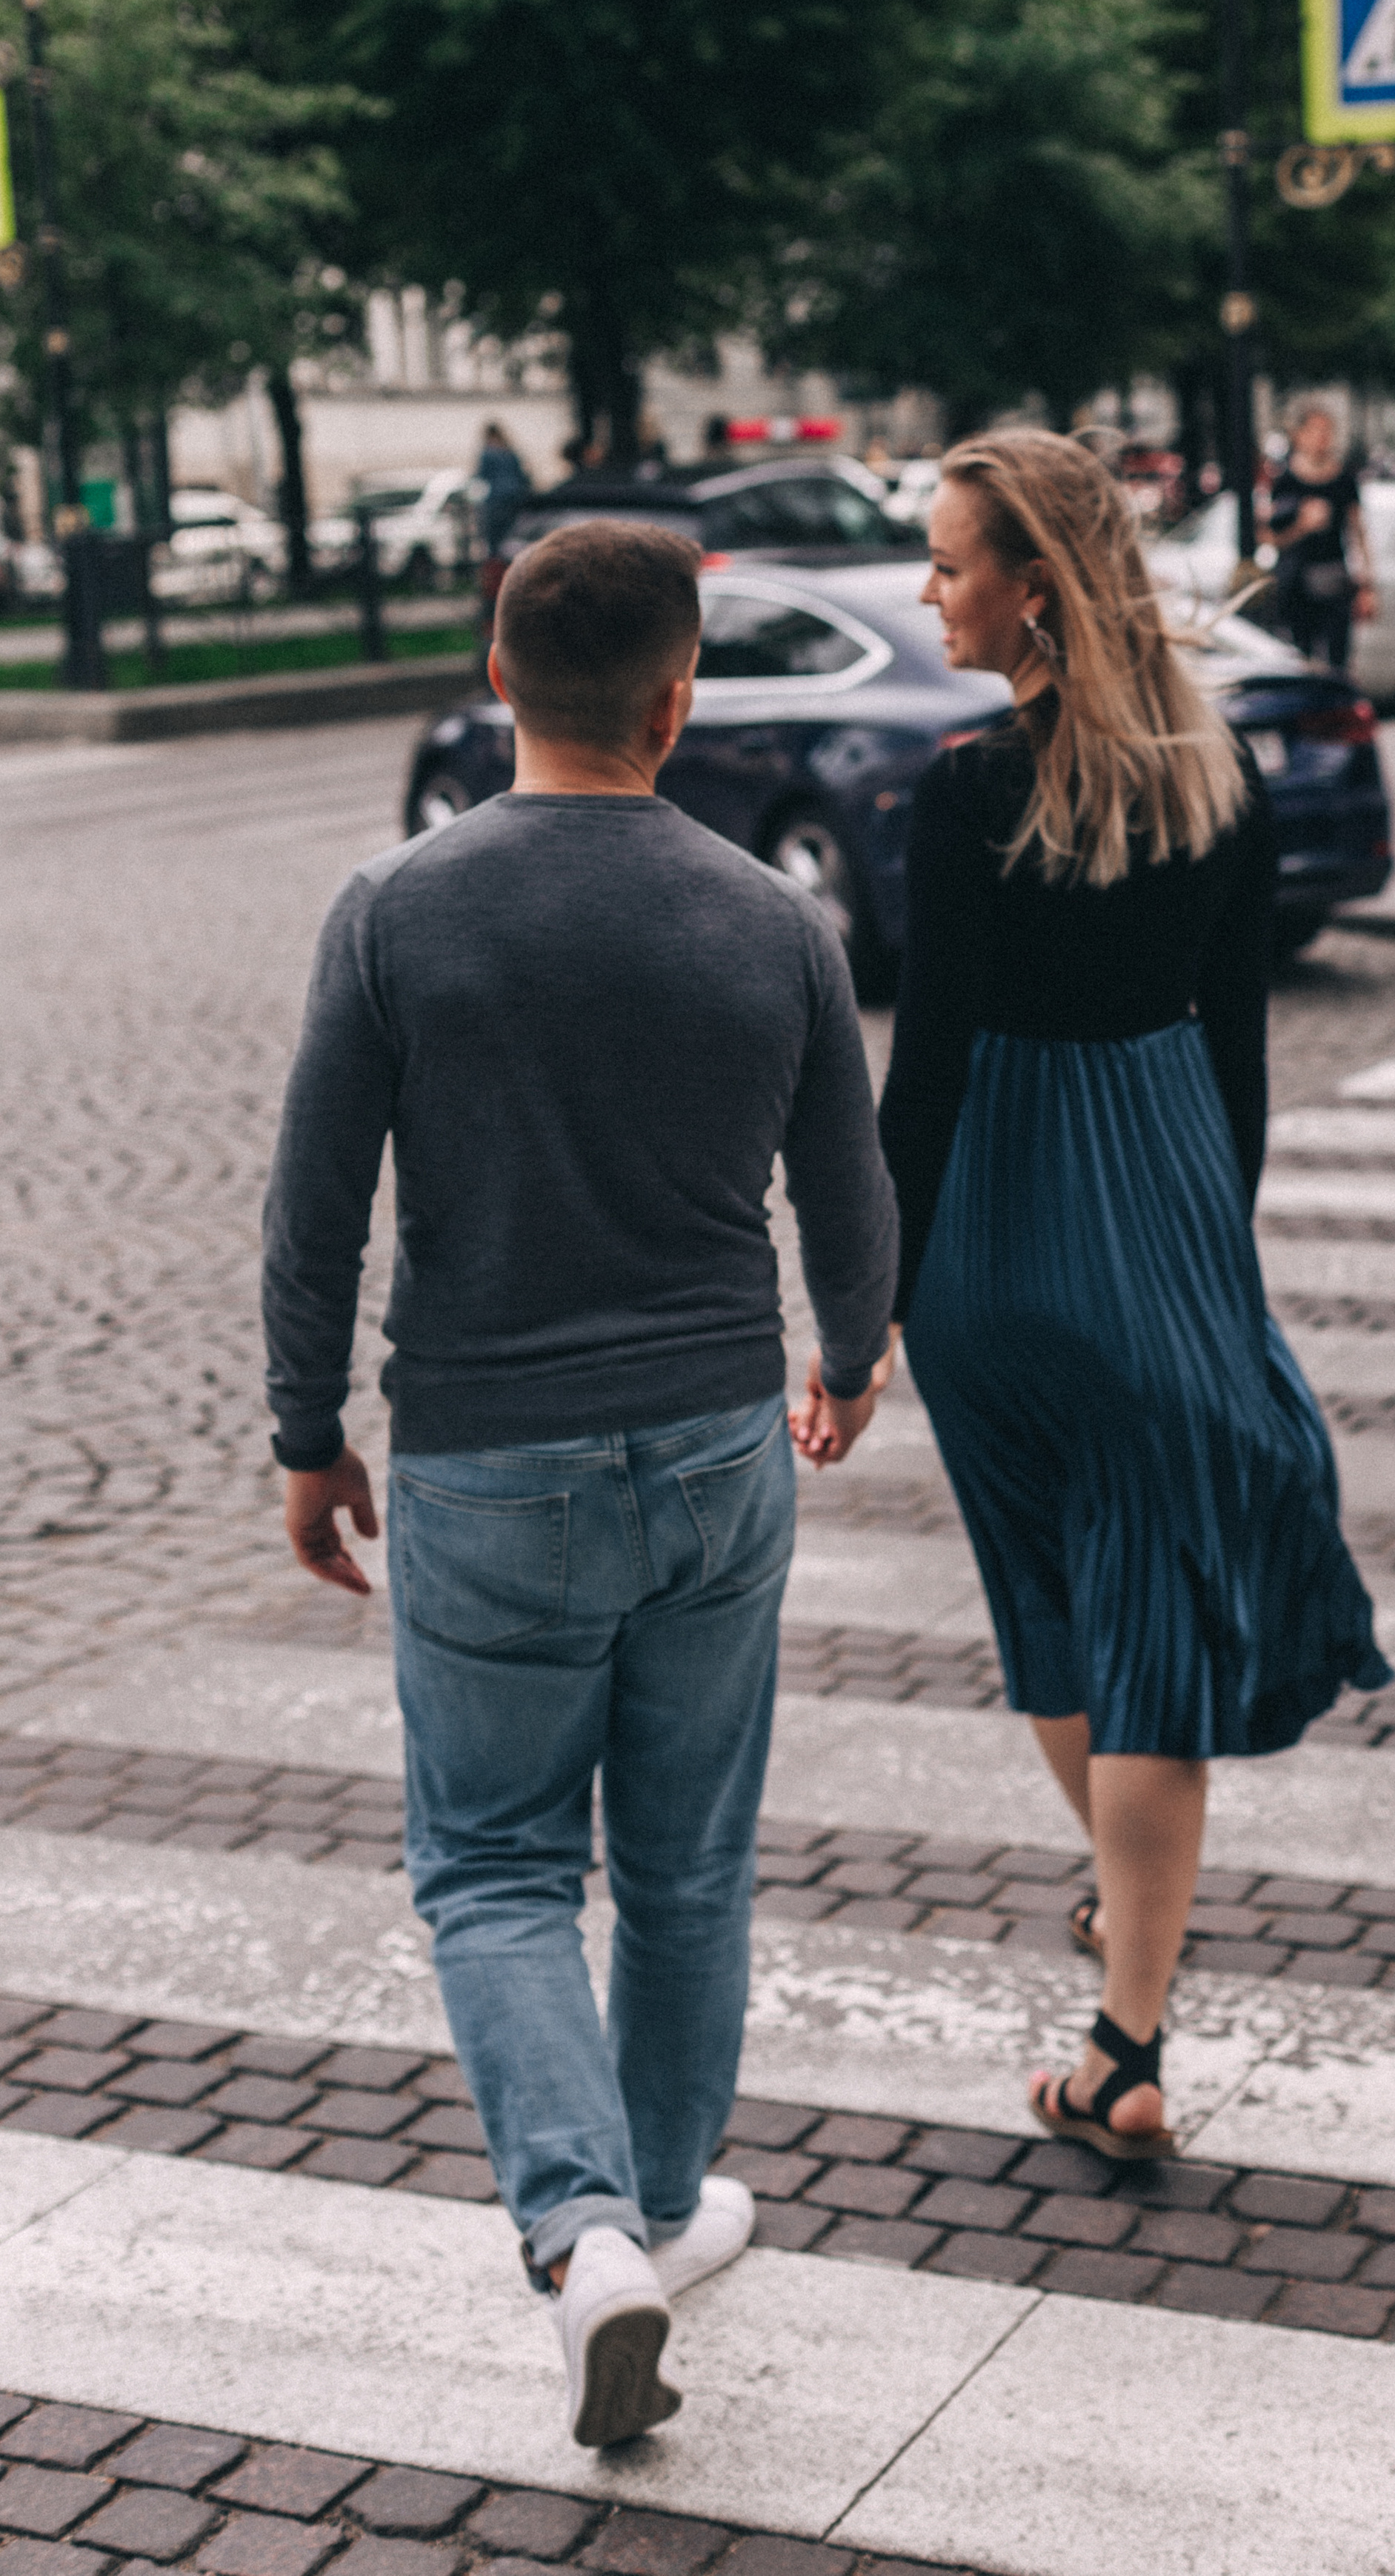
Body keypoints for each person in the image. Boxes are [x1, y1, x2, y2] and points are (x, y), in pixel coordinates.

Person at [262, 521, 896, 2447]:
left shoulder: (396, 910)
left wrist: (309, 1438)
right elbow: (853, 1205)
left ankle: (579, 2233)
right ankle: (667, 2201)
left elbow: (313, 1212)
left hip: (484, 1457)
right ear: (681, 690)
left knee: (496, 1866)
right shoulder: (775, 920)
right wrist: (849, 1360)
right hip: (716, 1446)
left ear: (495, 666)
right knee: (690, 1863)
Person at [875, 429, 1391, 2162]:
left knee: (1050, 1611)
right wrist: (1205, 1261)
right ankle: (1128, 2032)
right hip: (1158, 1204)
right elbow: (1235, 1063)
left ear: (1031, 584)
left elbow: (927, 1062)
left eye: (949, 561)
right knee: (1152, 1617)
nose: (929, 589)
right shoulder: (1214, 776)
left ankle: (1121, 1929)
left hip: (995, 1244)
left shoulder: (959, 791)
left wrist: (864, 1299)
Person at [1266, 403, 1376, 670]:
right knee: (1301, 658)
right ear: (1299, 436)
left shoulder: (1343, 479)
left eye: (1327, 432)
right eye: (1315, 431)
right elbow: (1270, 538)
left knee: (1338, 659)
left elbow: (1358, 532)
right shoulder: (1285, 481)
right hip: (1297, 583)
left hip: (1334, 579)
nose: (1322, 439)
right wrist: (1303, 525)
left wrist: (1367, 586)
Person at [474, 421, 530, 555]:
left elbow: (481, 475)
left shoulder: (487, 454)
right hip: (515, 498)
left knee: (494, 537)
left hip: (496, 500)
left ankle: (496, 565)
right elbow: (522, 475)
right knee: (512, 534)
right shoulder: (510, 452)